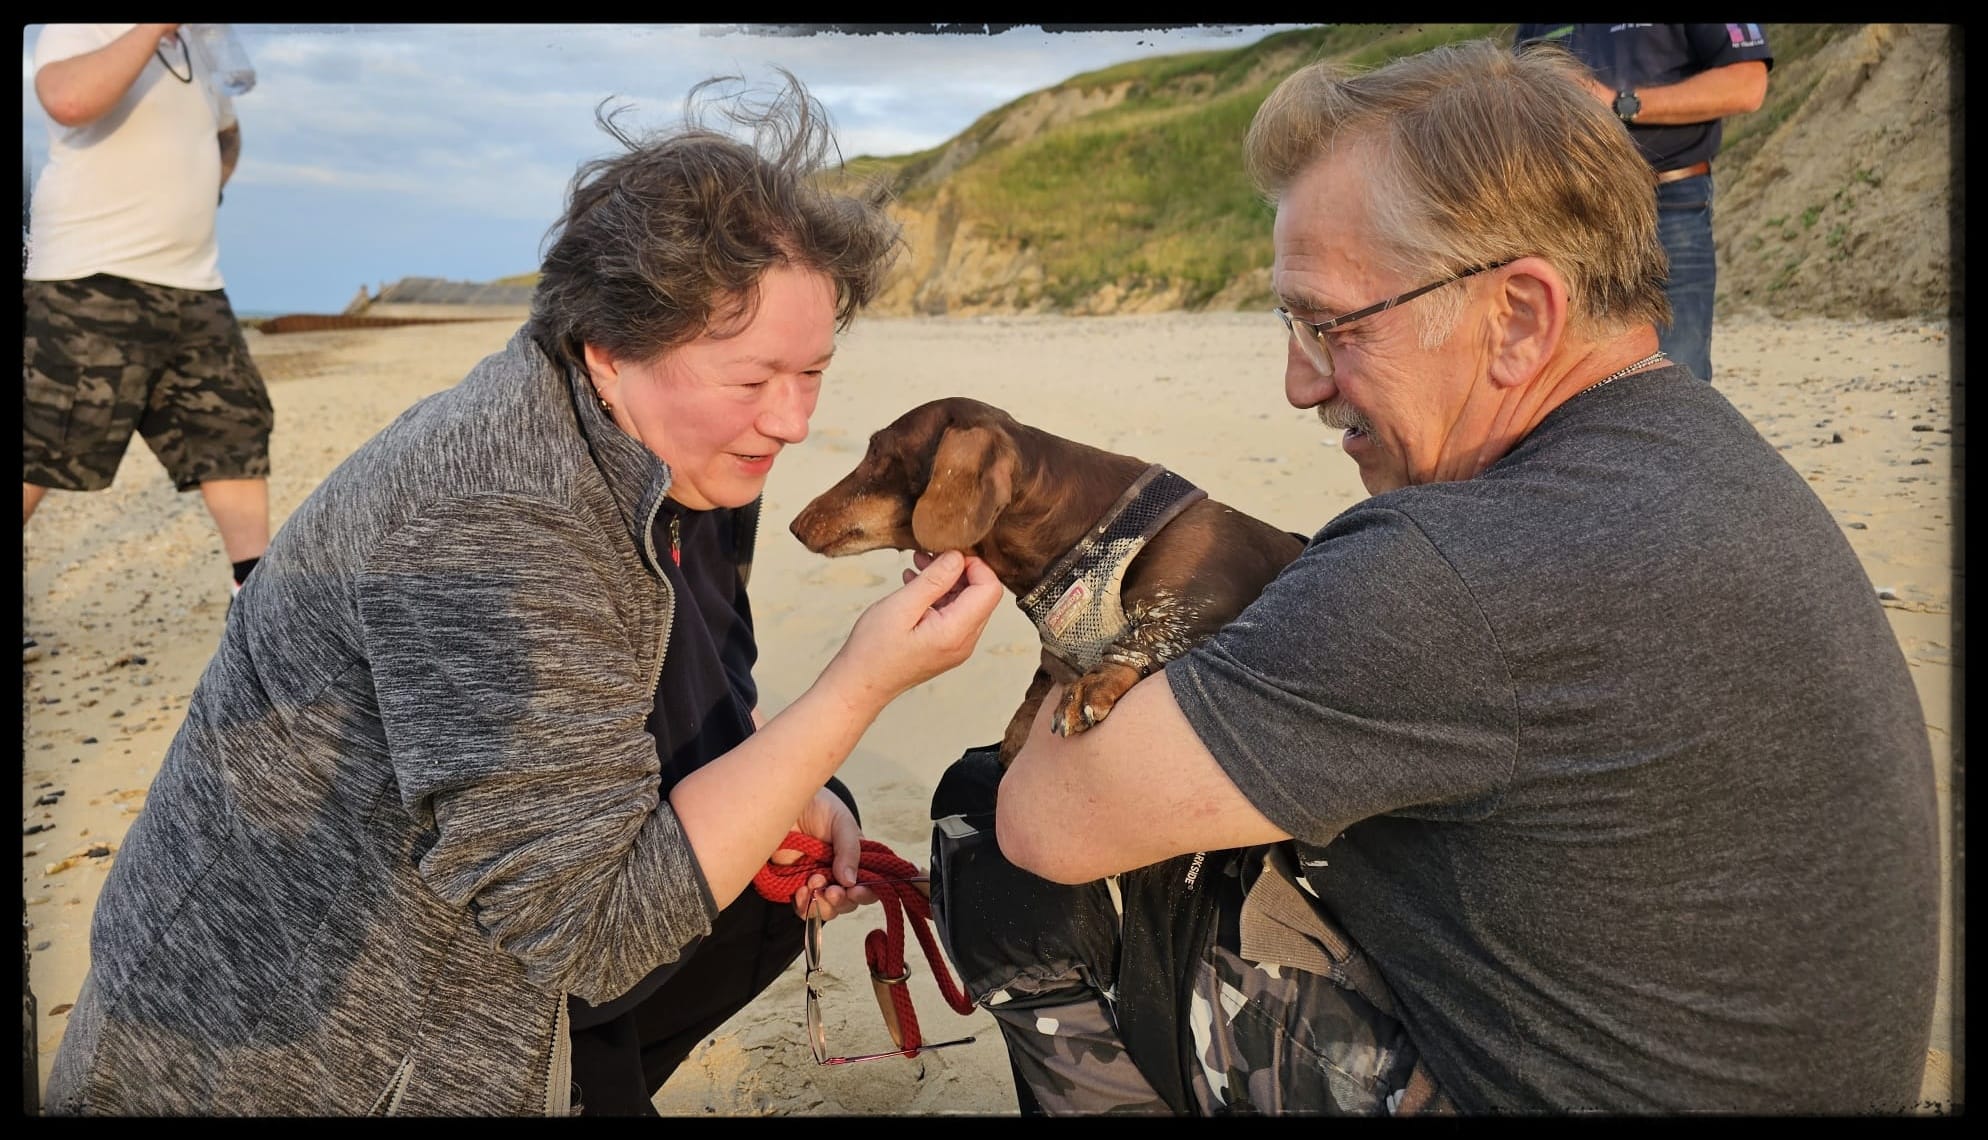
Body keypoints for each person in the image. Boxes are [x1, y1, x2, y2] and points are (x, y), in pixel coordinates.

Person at [930, 38, 1939, 1115]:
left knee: (989, 833)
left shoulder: (1449, 569)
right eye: (1288, 323)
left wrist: (1083, 659)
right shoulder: (1705, 457)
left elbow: (1048, 825)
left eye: (1329, 325)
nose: (1296, 383)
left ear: (1514, 318)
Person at [41, 71, 1005, 1116]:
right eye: (751, 379)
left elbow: (702, 689)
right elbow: (591, 933)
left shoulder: (679, 451)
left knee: (783, 858)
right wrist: (858, 689)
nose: (787, 420)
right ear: (609, 347)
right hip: (292, 1050)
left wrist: (791, 785)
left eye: (810, 371)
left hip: (495, 956)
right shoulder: (494, 515)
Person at [24, 23, 275, 664]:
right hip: (90, 277)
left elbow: (225, 130)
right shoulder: (82, 27)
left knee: (233, 432)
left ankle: (257, 601)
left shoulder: (199, 43)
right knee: (44, 445)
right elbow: (67, 100)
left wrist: (204, 187)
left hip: (194, 283)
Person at [1512, 23, 1773, 385]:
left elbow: (1748, 85)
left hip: (1668, 205)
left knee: (1679, 370)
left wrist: (1620, 102)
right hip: (1568, 214)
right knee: (1574, 380)